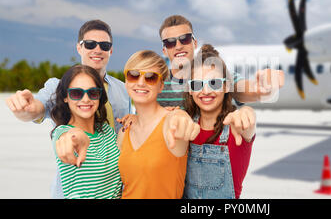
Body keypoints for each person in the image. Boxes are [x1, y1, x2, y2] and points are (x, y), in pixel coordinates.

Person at [5, 19, 132, 198]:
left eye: (104, 45)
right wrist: (25, 109)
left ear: (111, 50)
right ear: (79, 48)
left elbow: (127, 133)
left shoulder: (123, 90)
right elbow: (37, 109)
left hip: (116, 188)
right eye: (90, 44)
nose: (97, 49)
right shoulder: (58, 86)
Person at [117, 50, 200, 199]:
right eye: (133, 75)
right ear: (126, 81)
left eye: (151, 77)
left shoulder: (170, 122)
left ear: (161, 86)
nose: (141, 82)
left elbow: (178, 120)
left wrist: (181, 116)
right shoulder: (125, 130)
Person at [157, 14, 285, 108]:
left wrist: (258, 89)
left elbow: (239, 88)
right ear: (164, 50)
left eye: (185, 39)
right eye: (170, 42)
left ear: (194, 43)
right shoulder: (154, 83)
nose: (178, 46)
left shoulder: (218, 75)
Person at [183, 44, 256, 199]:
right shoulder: (186, 126)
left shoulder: (235, 127)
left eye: (214, 83)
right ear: (190, 89)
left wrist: (247, 113)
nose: (206, 91)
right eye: (197, 84)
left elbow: (248, 125)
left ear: (226, 86)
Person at [50, 64, 122, 199]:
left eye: (93, 93)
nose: (86, 99)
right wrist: (76, 137)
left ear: (99, 96)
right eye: (76, 93)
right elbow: (70, 137)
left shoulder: (107, 131)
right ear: (65, 97)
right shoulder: (62, 132)